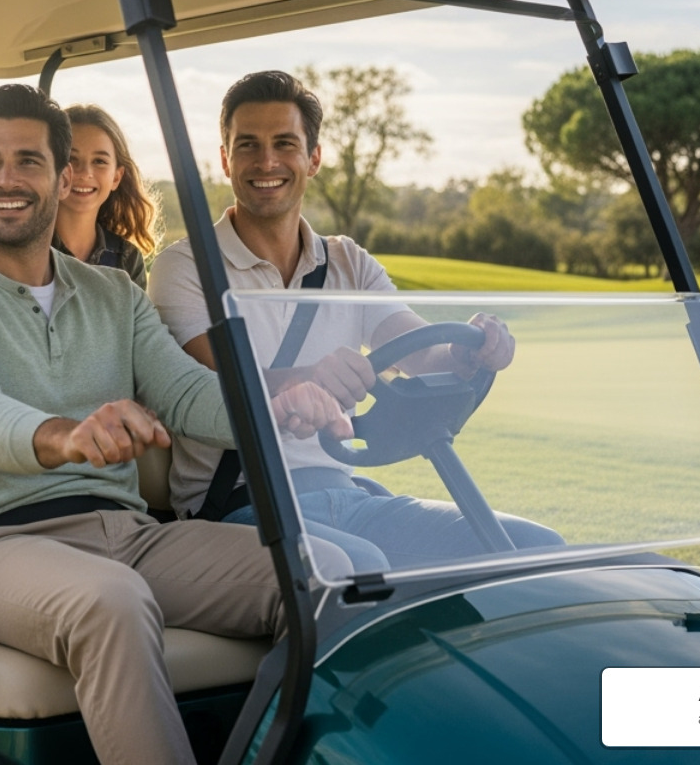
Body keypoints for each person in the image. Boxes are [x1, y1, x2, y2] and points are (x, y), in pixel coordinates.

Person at [0, 84, 350, 765]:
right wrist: (62, 434)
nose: (5, 180)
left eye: (27, 161)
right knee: (112, 601)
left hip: (125, 533)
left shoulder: (113, 294)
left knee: (324, 575)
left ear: (63, 172)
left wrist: (272, 409)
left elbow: (187, 393)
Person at [149, 70, 562, 573]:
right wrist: (307, 378)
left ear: (314, 158)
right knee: (361, 568)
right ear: (224, 159)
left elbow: (418, 349)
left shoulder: (348, 263)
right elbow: (213, 388)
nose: (267, 162)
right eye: (247, 146)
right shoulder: (186, 267)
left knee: (535, 545)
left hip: (348, 492)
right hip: (238, 504)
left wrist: (467, 352)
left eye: (285, 143)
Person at [51, 104, 161, 288]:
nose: (85, 173)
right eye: (71, 159)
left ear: (116, 177)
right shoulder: (26, 248)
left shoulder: (127, 260)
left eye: (99, 161)